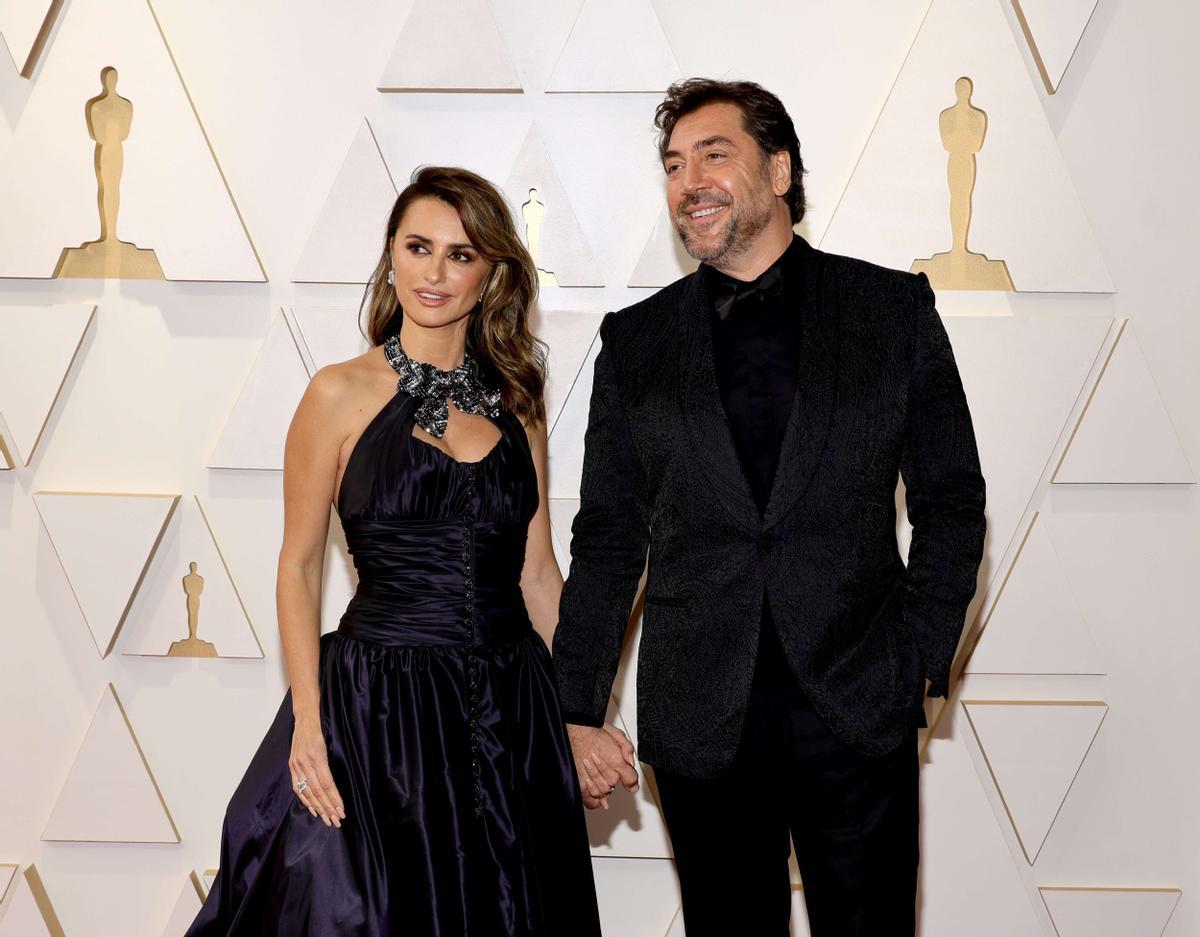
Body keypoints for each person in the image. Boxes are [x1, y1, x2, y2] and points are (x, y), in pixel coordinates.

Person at [553, 78, 987, 936]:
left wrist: (921, 665)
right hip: (702, 719)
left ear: (780, 170)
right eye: (674, 165)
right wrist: (572, 707)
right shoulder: (635, 346)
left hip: (859, 706)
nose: (689, 181)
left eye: (714, 154)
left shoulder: (891, 313)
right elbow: (608, 539)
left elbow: (953, 498)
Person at [186, 166, 601, 936]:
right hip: (381, 711)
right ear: (390, 256)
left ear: (492, 275)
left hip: (510, 707)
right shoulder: (337, 394)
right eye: (418, 247)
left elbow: (539, 574)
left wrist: (581, 712)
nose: (434, 273)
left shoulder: (519, 400)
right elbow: (299, 563)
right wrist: (308, 721)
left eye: (460, 254)